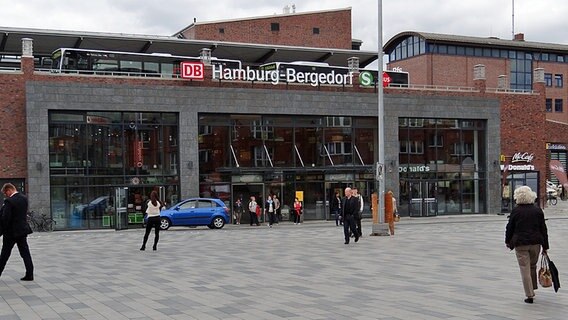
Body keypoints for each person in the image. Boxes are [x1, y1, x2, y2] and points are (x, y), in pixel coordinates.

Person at [505, 185, 549, 304]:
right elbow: (543, 229)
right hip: (536, 243)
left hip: (521, 243)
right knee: (532, 266)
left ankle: (529, 294)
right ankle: (533, 287)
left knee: (525, 268)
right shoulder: (537, 210)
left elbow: (510, 227)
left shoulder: (516, 211)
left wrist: (507, 241)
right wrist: (545, 246)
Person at [0, 183, 34, 281]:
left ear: (9, 190)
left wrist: (2, 230)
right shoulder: (24, 198)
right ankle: (30, 274)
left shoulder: (9, 201)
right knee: (25, 253)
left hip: (11, 233)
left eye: (5, 193)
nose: (5, 195)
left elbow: (5, 218)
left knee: (4, 255)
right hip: (22, 231)